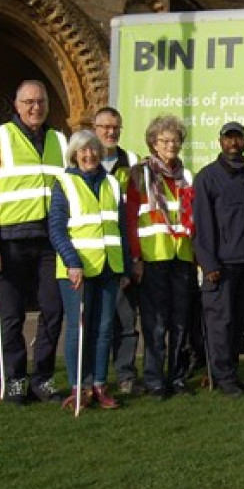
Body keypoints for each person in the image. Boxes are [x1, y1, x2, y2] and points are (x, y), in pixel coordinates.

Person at [0, 79, 67, 405]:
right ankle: (15, 381)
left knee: (54, 311)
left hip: (50, 240)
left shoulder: (59, 140)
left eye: (40, 101)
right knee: (12, 317)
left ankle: (42, 378)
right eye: (28, 101)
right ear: (16, 105)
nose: (35, 107)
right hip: (10, 240)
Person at [48, 130, 129, 411]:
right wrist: (72, 261)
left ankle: (99, 385)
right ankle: (78, 386)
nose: (89, 155)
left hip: (109, 267)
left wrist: (126, 266)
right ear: (74, 154)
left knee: (104, 328)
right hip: (77, 271)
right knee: (77, 329)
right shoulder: (64, 183)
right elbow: (56, 229)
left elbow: (121, 229)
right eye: (83, 151)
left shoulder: (112, 183)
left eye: (93, 150)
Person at [193, 122, 244, 398]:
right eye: (229, 138)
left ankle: (233, 374)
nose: (234, 143)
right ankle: (222, 377)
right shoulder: (207, 177)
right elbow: (202, 226)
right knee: (220, 323)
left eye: (238, 138)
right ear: (220, 142)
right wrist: (209, 264)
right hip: (221, 266)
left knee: (239, 323)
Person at [126, 115, 196, 399]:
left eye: (175, 140)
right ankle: (155, 380)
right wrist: (135, 258)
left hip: (183, 257)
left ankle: (177, 378)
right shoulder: (139, 174)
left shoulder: (187, 175)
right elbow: (131, 219)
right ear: (153, 143)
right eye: (164, 140)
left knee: (180, 321)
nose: (171, 145)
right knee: (155, 324)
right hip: (152, 258)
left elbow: (193, 218)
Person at [93, 106, 143, 395]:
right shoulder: (83, 160)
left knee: (126, 322)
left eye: (115, 128)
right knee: (98, 323)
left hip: (123, 256)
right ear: (94, 128)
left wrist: (134, 258)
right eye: (104, 127)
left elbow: (138, 213)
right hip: (92, 257)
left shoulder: (133, 162)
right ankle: (92, 377)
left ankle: (125, 376)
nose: (110, 132)